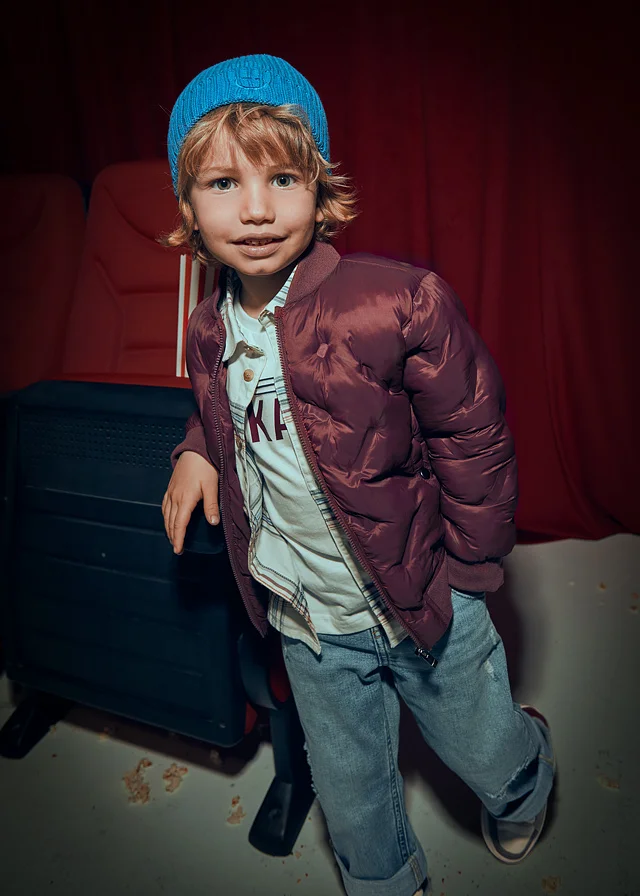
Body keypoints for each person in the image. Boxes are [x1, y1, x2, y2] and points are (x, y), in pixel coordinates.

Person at [161, 54, 556, 896]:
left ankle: (525, 782)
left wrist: (470, 573)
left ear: (319, 187)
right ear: (189, 208)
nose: (257, 209)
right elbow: (225, 407)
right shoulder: (206, 329)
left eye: (282, 178)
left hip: (419, 591)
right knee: (351, 794)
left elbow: (473, 435)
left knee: (481, 742)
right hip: (307, 615)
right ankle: (385, 880)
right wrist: (196, 449)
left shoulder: (398, 303)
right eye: (224, 183)